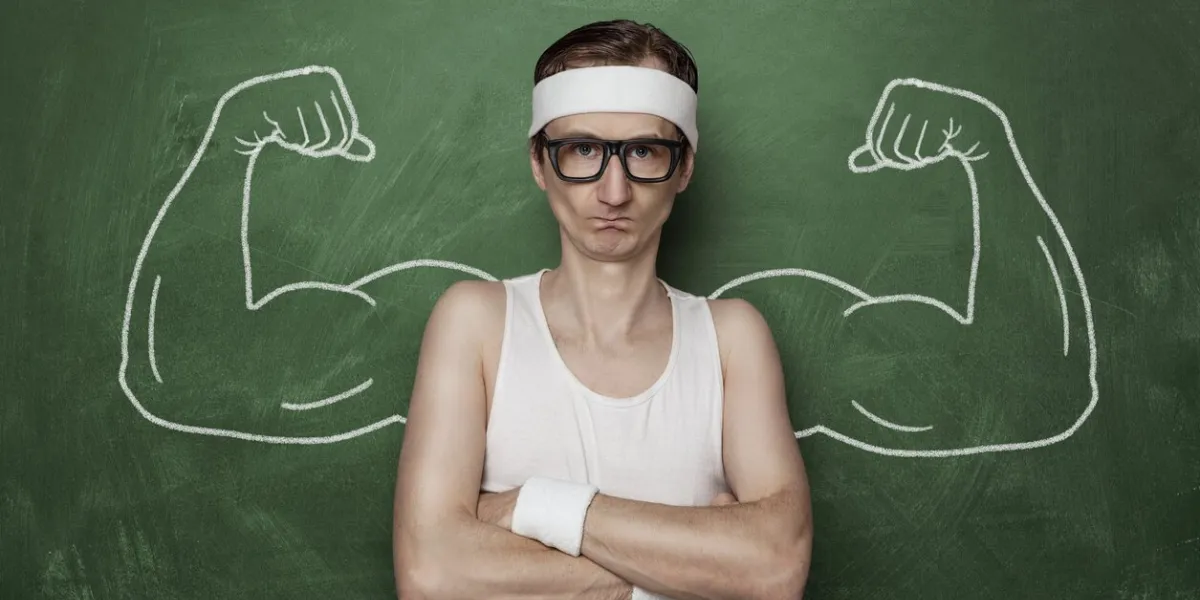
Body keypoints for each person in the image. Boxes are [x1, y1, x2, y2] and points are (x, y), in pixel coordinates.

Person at [393, 19, 812, 600]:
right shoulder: (477, 324)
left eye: (644, 151)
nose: (613, 191)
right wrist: (696, 568)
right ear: (540, 164)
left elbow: (774, 569)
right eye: (583, 149)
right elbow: (431, 575)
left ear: (684, 167)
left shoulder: (731, 338)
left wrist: (531, 508)